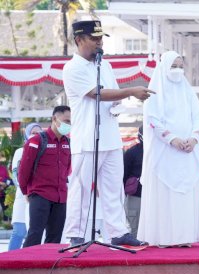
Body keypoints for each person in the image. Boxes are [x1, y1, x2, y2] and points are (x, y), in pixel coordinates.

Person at [62, 20, 152, 247]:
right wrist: (131, 91)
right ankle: (76, 234)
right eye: (95, 39)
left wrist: (119, 104)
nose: (100, 43)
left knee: (113, 189)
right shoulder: (72, 68)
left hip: (110, 138)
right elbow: (97, 93)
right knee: (81, 191)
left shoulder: (106, 66)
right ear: (79, 40)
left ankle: (117, 232)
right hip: (86, 140)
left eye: (101, 38)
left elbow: (113, 96)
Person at [138, 51, 199, 247]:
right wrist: (172, 139)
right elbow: (153, 119)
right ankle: (164, 238)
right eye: (173, 66)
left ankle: (185, 237)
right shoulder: (155, 92)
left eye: (180, 66)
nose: (177, 70)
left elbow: (198, 117)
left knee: (185, 196)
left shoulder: (188, 91)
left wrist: (194, 138)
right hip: (165, 152)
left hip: (188, 152)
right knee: (165, 196)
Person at [19, 106, 71, 247]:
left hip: (61, 197)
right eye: (66, 120)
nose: (69, 124)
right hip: (40, 195)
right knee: (35, 235)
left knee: (55, 240)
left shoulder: (69, 143)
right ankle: (25, 266)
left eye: (71, 121)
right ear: (54, 119)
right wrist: (26, 192)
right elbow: (24, 170)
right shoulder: (36, 141)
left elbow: (68, 169)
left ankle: (49, 268)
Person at [8, 123, 42, 250]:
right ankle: (8, 262)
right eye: (33, 133)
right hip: (24, 197)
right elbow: (16, 174)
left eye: (38, 133)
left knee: (32, 233)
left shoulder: (43, 152)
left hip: (38, 197)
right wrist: (26, 191)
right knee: (19, 232)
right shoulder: (20, 151)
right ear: (27, 134)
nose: (36, 136)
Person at [123, 126, 143, 238]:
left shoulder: (159, 152)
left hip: (155, 196)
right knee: (135, 228)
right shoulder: (131, 152)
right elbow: (124, 174)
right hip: (135, 195)